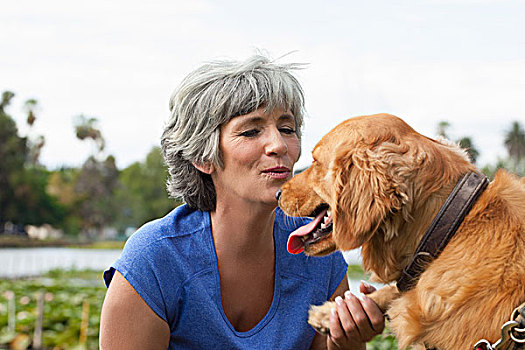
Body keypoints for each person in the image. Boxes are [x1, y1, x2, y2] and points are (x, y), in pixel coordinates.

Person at [99, 54, 385, 349]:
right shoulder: (154, 259)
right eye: (251, 131)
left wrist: (345, 341)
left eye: (287, 129)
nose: (279, 145)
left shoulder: (318, 254)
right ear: (203, 156)